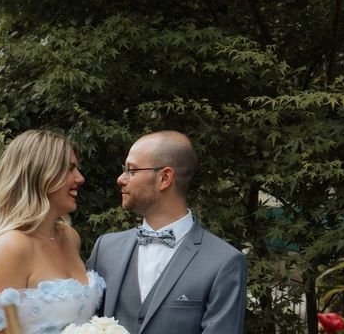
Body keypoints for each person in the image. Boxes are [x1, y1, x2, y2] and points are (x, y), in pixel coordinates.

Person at [87, 131, 247, 334]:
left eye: (132, 170)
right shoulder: (105, 249)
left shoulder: (224, 262)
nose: (120, 179)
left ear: (165, 177)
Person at [0, 130, 106, 333]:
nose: (80, 178)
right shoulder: (12, 246)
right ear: (40, 174)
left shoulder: (70, 237)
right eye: (70, 168)